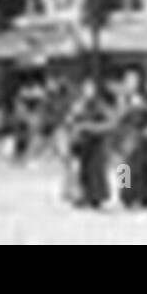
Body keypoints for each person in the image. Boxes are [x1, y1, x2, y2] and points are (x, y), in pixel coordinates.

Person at [64, 78, 112, 209]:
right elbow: (69, 121)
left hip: (99, 143)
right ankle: (81, 195)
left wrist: (91, 127)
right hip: (83, 144)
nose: (89, 92)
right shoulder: (78, 105)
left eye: (91, 89)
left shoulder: (101, 106)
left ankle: (102, 197)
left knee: (117, 170)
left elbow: (110, 123)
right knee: (81, 171)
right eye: (86, 89)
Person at [115, 69, 147, 209]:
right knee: (125, 167)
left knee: (145, 166)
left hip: (144, 136)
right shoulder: (123, 97)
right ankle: (126, 196)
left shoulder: (146, 96)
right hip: (127, 135)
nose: (134, 82)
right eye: (130, 79)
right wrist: (130, 106)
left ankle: (145, 196)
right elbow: (118, 117)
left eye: (136, 79)